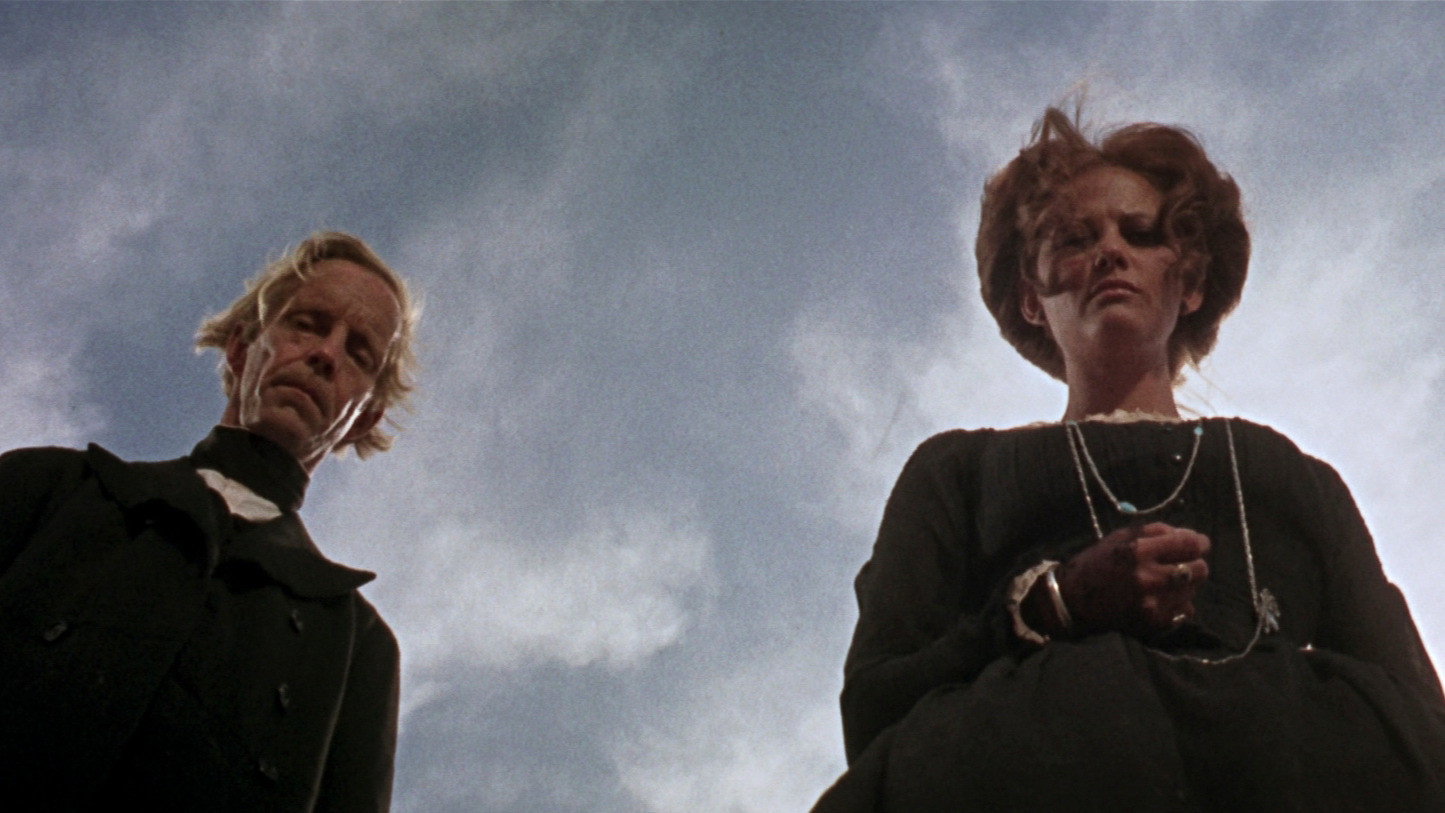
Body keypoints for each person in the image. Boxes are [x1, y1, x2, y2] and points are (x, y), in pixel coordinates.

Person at [813, 108, 1445, 810]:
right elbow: (877, 706)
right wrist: (1057, 604)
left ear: (1191, 284)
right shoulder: (959, 471)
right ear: (1031, 297)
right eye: (1074, 239)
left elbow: (1419, 719)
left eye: (1140, 234)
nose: (1110, 252)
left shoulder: (1293, 475)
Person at [0, 231, 419, 811]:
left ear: (364, 415)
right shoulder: (49, 486)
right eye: (307, 324)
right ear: (243, 348)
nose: (326, 354)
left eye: (360, 354)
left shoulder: (358, 646)